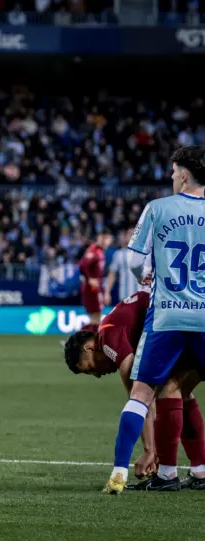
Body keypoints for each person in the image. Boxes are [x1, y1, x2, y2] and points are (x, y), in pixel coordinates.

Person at [105, 146, 205, 494]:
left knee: (142, 393)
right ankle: (194, 471)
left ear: (183, 175)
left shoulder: (159, 208)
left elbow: (133, 260)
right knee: (182, 390)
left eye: (174, 171)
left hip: (168, 316)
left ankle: (121, 472)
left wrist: (147, 276)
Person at [64, 291, 205, 490]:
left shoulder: (108, 340)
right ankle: (199, 471)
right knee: (180, 392)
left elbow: (142, 401)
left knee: (162, 391)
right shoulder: (115, 327)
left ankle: (167, 475)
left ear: (89, 348)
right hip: (193, 311)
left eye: (90, 368)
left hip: (175, 318)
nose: (96, 375)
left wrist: (150, 450)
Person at [78, 232, 113, 332]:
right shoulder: (93, 251)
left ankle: (76, 340)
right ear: (101, 238)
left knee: (96, 317)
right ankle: (77, 340)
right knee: (96, 316)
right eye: (106, 239)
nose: (108, 242)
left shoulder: (100, 251)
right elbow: (82, 265)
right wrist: (89, 279)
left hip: (96, 288)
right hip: (91, 289)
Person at [104, 228, 149, 307]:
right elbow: (112, 274)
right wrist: (107, 292)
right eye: (130, 234)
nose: (133, 236)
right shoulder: (119, 254)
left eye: (135, 233)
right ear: (126, 237)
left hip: (143, 297)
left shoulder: (147, 254)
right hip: (125, 298)